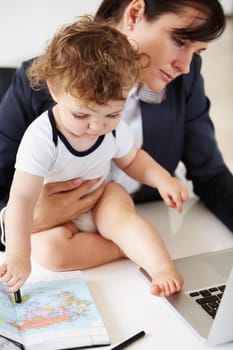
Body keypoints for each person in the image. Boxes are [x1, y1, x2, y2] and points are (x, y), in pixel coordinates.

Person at [0, 0, 232, 266]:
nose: (186, 67)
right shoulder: (40, 83)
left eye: (198, 52)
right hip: (66, 245)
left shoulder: (185, 81)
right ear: (134, 13)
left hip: (143, 231)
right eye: (179, 41)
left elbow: (211, 174)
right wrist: (21, 218)